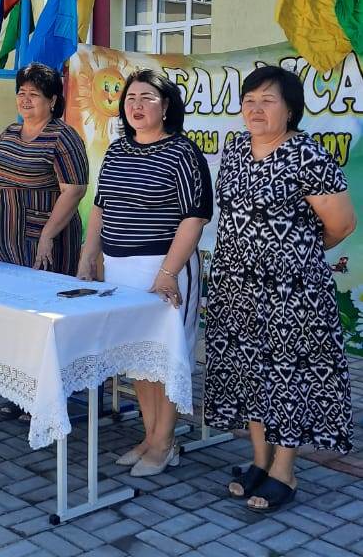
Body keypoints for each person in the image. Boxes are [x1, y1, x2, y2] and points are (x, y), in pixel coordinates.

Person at [204, 66, 356, 512]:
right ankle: (259, 460)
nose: (256, 109)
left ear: (290, 109)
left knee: (289, 376)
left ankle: (284, 471)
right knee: (251, 374)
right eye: (249, 100)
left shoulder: (308, 155)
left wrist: (294, 254)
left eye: (267, 101)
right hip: (236, 288)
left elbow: (342, 224)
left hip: (293, 295)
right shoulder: (235, 150)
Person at [77, 69, 212, 477]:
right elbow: (100, 206)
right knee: (138, 357)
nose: (136, 105)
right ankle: (150, 436)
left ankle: (165, 442)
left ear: (166, 106)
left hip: (164, 271)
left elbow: (195, 217)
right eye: (130, 98)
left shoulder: (183, 153)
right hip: (119, 270)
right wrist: (89, 253)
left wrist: (168, 272)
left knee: (166, 356)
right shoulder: (117, 151)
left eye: (147, 98)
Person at [0, 63, 88, 274]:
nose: (25, 99)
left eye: (33, 94)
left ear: (52, 100)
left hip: (43, 246)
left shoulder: (63, 137)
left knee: (42, 292)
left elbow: (74, 191)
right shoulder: (8, 133)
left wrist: (47, 235)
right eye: (21, 93)